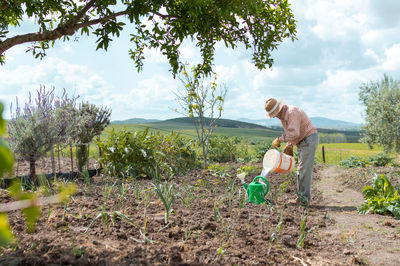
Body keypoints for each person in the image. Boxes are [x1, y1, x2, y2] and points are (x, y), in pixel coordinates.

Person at [264, 98, 318, 206]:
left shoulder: (291, 113)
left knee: (304, 171)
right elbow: (292, 132)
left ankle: (304, 200)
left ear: (279, 110)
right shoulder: (284, 116)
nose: (275, 116)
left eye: (275, 114)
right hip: (303, 141)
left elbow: (294, 133)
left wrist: (280, 139)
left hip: (308, 140)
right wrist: (289, 144)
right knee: (301, 170)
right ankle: (301, 198)